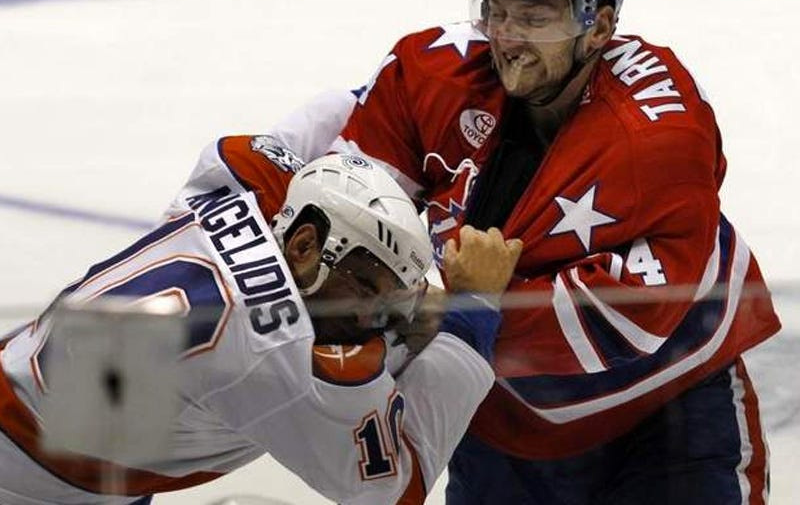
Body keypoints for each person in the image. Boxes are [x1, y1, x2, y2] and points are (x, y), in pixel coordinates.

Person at [266, 0, 782, 503]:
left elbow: (629, 316)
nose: (506, 37)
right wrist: (455, 304)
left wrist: (462, 306)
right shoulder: (428, 73)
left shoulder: (657, 135)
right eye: (497, 10)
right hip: (502, 414)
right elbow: (349, 208)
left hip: (666, 406)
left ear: (599, 24)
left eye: (533, 17)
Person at [0, 141, 523, 505]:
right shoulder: (275, 355)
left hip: (32, 391)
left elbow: (244, 152)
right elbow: (392, 487)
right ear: (301, 244)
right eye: (366, 287)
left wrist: (398, 299)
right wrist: (473, 310)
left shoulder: (232, 192)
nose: (370, 317)